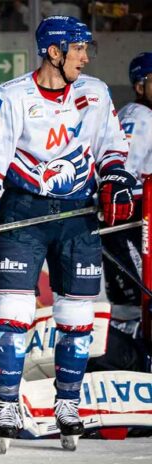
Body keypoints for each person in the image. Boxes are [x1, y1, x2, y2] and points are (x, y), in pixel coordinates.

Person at [0, 16, 135, 451]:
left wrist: (115, 179)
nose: (86, 57)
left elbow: (113, 145)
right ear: (54, 51)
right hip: (23, 210)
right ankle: (7, 404)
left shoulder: (96, 92)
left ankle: (67, 404)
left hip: (78, 214)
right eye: (78, 49)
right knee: (13, 313)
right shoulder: (10, 97)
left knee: (77, 317)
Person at [91, 52, 152, 373]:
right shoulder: (138, 116)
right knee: (134, 303)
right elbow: (119, 177)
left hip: (142, 224)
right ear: (140, 86)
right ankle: (116, 369)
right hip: (128, 224)